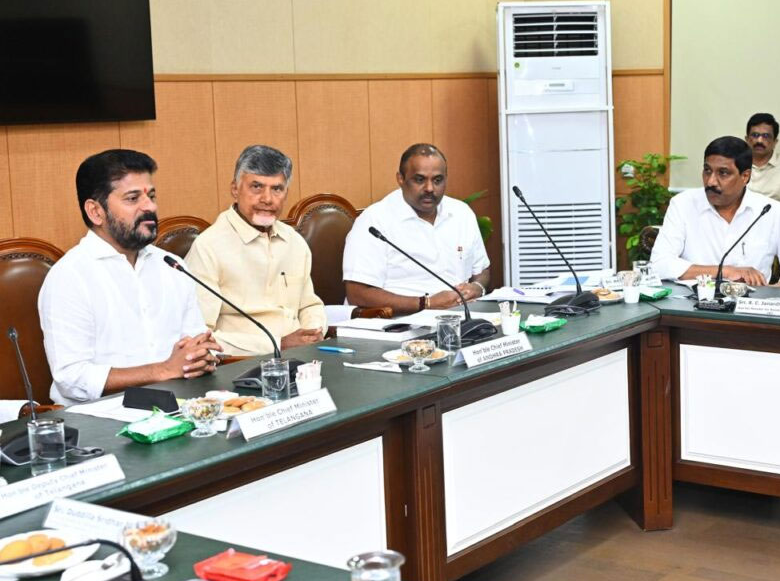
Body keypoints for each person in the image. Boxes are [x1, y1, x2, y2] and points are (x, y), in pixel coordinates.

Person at [38, 150, 220, 405]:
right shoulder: (69, 278)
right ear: (95, 212)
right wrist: (164, 370)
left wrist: (201, 355)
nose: (150, 207)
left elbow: (195, 343)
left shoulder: (172, 266)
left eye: (151, 196)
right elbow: (71, 379)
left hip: (182, 405)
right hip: (100, 422)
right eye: (133, 198)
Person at [185, 145, 326, 356]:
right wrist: (277, 344)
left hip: (304, 358)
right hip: (241, 366)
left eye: (277, 189)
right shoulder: (209, 247)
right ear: (235, 189)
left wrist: (313, 333)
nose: (267, 199)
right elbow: (199, 336)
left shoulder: (295, 242)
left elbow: (309, 305)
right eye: (257, 187)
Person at [344, 143, 490, 315]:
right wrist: (426, 303)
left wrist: (477, 287)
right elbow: (357, 294)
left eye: (437, 180)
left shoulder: (461, 213)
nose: (429, 188)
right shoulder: (374, 222)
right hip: (397, 322)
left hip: (459, 317)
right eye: (419, 180)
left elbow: (481, 270)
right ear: (400, 179)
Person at [650, 136, 780, 287]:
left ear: (745, 176)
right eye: (707, 171)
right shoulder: (683, 204)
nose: (711, 181)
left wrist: (775, 291)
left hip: (749, 307)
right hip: (692, 304)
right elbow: (659, 264)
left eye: (723, 173)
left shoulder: (770, 211)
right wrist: (726, 271)